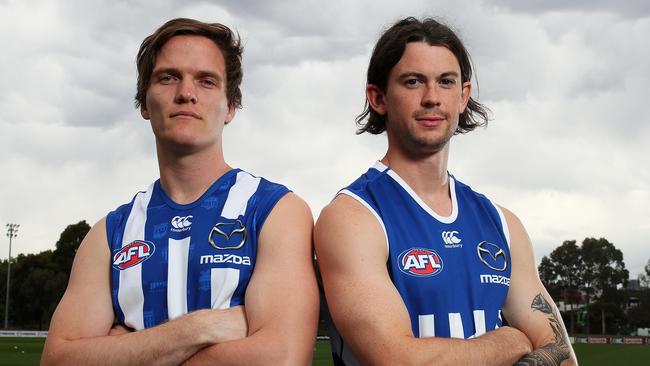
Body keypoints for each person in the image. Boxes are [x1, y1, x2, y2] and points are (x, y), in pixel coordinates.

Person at [42, 18, 318, 365]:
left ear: (230, 107)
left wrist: (128, 350)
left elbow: (282, 359)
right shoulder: (109, 235)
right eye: (168, 77)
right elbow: (58, 360)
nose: (186, 92)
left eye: (206, 81)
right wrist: (198, 329)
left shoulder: (275, 211)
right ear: (144, 102)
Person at [315, 17, 578, 365]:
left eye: (446, 82)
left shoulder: (501, 224)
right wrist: (510, 340)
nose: (432, 98)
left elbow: (560, 353)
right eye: (413, 82)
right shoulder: (353, 217)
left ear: (463, 97)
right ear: (378, 98)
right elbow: (399, 360)